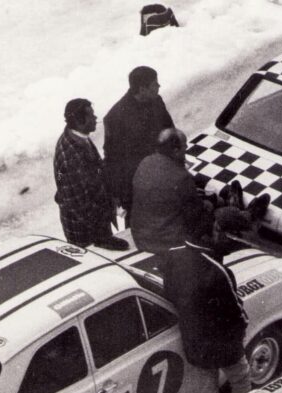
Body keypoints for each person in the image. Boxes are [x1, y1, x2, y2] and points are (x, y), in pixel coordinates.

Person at [163, 207, 252, 393]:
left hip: (193, 340)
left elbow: (169, 292)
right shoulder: (219, 272)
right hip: (224, 343)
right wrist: (242, 326)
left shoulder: (174, 255)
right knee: (240, 377)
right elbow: (236, 312)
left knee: (207, 384)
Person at [52, 99, 129, 251]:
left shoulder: (78, 137)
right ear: (79, 121)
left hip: (94, 220)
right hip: (85, 231)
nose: (95, 118)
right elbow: (80, 204)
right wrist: (103, 237)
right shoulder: (71, 155)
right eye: (91, 115)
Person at [103, 66, 175, 218]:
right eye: (155, 84)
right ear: (142, 89)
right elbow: (113, 159)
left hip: (163, 171)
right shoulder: (115, 117)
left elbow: (170, 130)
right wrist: (119, 194)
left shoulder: (157, 100)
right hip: (138, 183)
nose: (159, 86)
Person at [130, 128, 206, 256]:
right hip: (168, 242)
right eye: (184, 146)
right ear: (175, 150)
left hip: (141, 237)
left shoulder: (145, 162)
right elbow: (195, 212)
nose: (186, 148)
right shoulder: (181, 177)